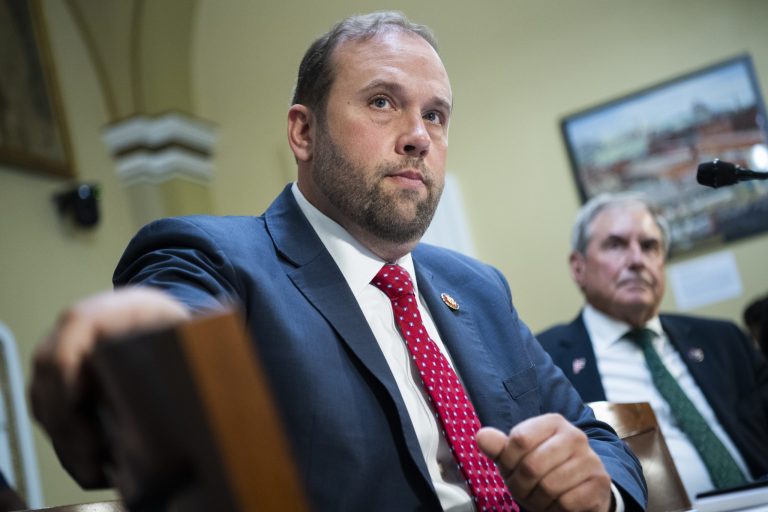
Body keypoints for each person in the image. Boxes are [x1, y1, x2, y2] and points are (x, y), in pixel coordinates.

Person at [30, 12, 645, 511]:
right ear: (303, 132)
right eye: (382, 102)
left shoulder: (478, 286)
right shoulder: (214, 258)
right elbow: (173, 329)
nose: (418, 136)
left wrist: (602, 494)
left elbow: (593, 436)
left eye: (435, 115)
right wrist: (146, 346)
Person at [537, 192, 768, 501]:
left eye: (649, 246)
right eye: (616, 245)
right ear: (579, 268)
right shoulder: (546, 360)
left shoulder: (723, 340)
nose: (636, 260)